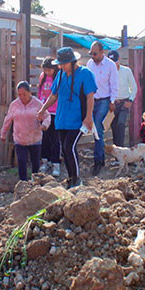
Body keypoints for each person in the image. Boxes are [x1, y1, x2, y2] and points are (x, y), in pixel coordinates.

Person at [37, 47, 97, 189]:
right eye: (60, 64)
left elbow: (90, 96)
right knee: (64, 149)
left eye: (64, 63)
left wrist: (89, 117)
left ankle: (77, 180)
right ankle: (70, 179)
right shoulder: (61, 75)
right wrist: (43, 109)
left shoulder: (85, 74)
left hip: (78, 119)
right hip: (62, 119)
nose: (62, 66)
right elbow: (54, 96)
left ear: (72, 61)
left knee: (69, 147)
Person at [1, 81, 50, 181]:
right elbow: (8, 120)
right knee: (22, 162)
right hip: (20, 139)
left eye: (24, 94)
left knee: (35, 163)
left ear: (29, 93)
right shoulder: (14, 105)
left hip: (35, 138)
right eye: (19, 95)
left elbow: (47, 116)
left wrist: (45, 125)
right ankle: (23, 184)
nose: (22, 97)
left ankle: (35, 183)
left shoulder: (37, 103)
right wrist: (3, 134)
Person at [86, 41, 118, 176]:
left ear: (102, 52)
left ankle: (98, 161)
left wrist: (112, 101)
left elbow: (114, 84)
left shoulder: (110, 65)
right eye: (91, 53)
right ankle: (101, 158)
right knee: (94, 130)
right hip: (92, 99)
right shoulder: (89, 64)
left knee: (98, 128)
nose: (92, 56)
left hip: (104, 100)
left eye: (95, 53)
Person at [107, 50, 138, 148]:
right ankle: (118, 152)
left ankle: (120, 150)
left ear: (119, 59)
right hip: (112, 103)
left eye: (115, 61)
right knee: (114, 127)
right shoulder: (107, 73)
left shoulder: (126, 71)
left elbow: (134, 87)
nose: (114, 64)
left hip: (124, 103)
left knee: (121, 124)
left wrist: (130, 100)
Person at [38, 58, 61, 177]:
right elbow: (40, 92)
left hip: (55, 112)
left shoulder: (58, 77)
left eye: (49, 70)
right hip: (44, 112)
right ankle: (45, 161)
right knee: (44, 138)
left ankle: (56, 162)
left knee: (55, 139)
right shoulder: (42, 77)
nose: (47, 72)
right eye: (45, 70)